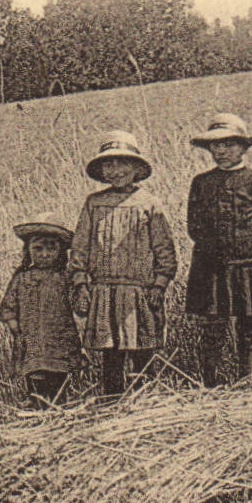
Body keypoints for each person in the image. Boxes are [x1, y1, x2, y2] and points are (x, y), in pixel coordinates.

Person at [69, 131, 178, 395]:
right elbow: (80, 247)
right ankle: (112, 402)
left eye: (122, 163)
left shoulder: (149, 204)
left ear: (136, 168)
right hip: (104, 291)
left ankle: (146, 401)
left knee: (142, 349)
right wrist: (81, 283)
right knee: (111, 354)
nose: (116, 170)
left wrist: (159, 285)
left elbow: (165, 249)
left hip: (139, 291)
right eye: (109, 164)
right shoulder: (94, 203)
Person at [184, 114, 252, 386]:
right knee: (213, 328)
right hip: (212, 268)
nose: (221, 151)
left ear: (243, 147)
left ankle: (246, 382)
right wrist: (215, 249)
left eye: (228, 144)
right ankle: (210, 384)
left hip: (250, 267)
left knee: (249, 329)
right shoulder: (201, 183)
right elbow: (194, 226)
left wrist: (247, 247)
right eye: (215, 146)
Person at [0, 214, 85, 409]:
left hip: (59, 339)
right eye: (38, 249)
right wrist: (16, 329)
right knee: (35, 375)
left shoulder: (64, 278)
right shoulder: (22, 278)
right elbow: (8, 308)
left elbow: (80, 307)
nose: (44, 254)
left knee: (58, 377)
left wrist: (83, 287)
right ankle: (37, 407)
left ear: (61, 252)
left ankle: (57, 409)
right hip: (32, 340)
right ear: (28, 251)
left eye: (51, 249)